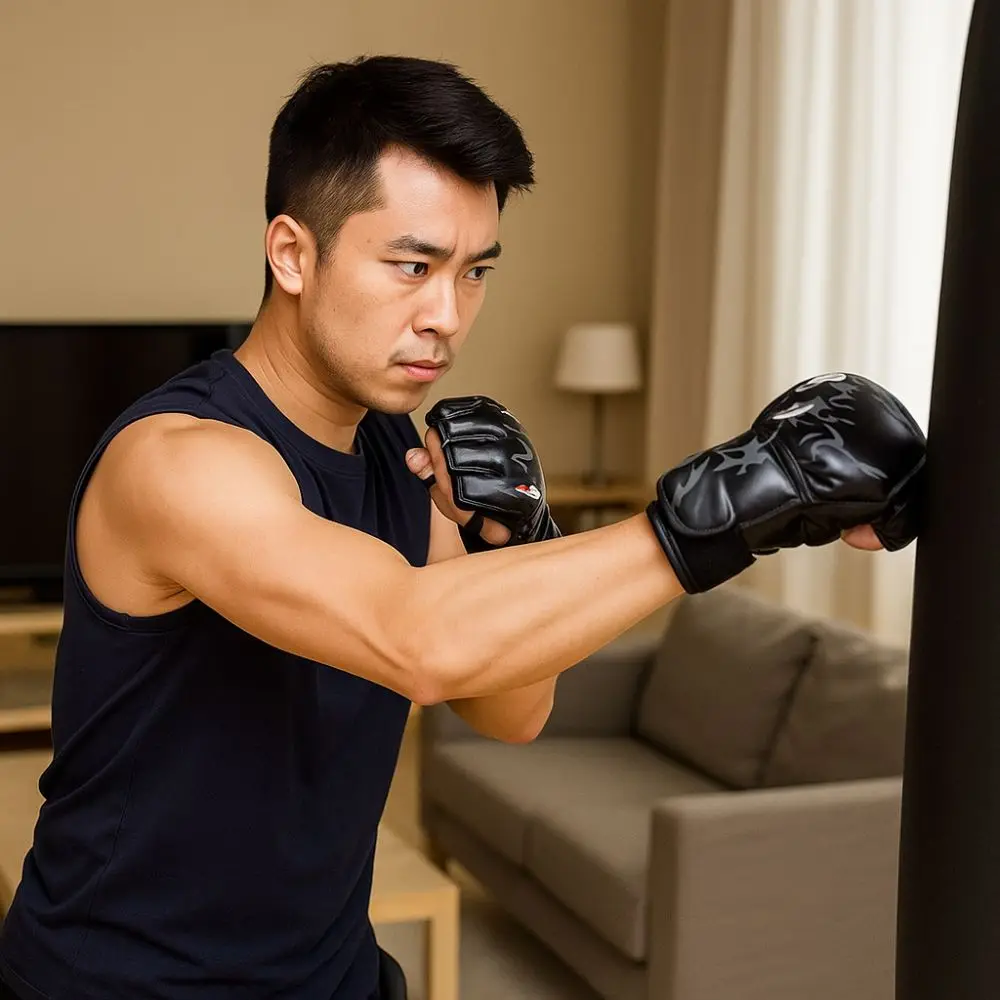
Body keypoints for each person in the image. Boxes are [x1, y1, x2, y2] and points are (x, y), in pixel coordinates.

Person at [0, 55, 925, 1000]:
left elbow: (511, 709)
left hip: (329, 974)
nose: (446, 315)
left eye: (473, 271)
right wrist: (745, 500)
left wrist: (514, 543)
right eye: (412, 266)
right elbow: (420, 643)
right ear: (291, 253)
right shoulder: (182, 461)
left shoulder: (398, 457)